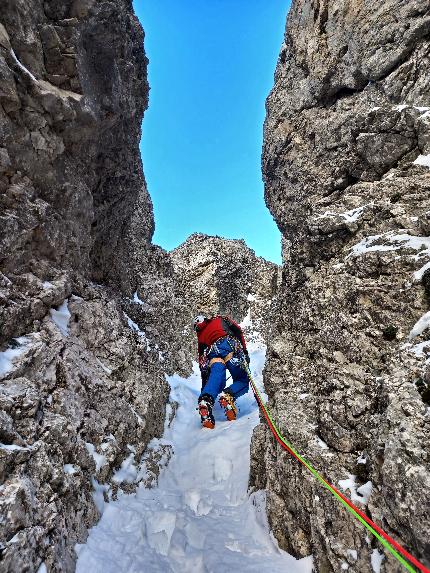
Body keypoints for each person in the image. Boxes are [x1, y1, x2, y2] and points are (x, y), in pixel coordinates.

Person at [193, 314, 250, 429]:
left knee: (218, 381)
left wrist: (205, 389)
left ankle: (206, 400)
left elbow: (202, 361)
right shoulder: (220, 319)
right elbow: (238, 330)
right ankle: (229, 395)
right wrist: (244, 351)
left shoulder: (201, 336)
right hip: (229, 346)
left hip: (213, 354)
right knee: (242, 380)